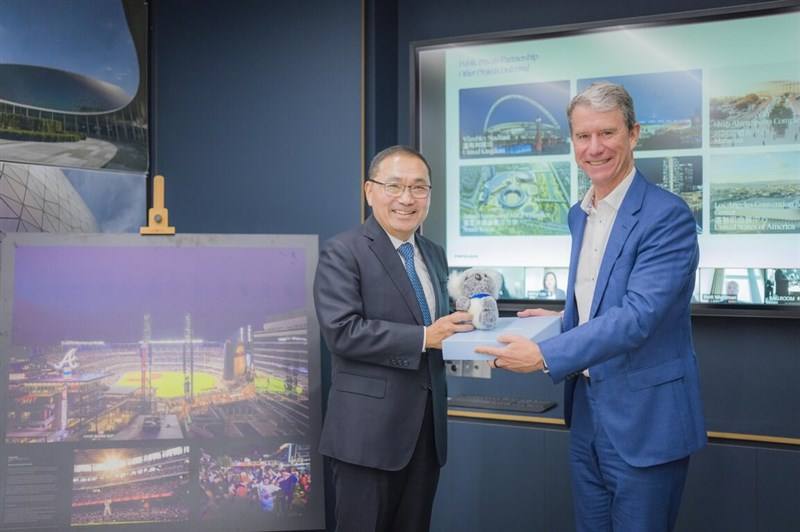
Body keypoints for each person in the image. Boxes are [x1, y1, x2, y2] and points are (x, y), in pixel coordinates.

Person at [477, 83, 706, 532]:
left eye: (607, 133)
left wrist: (545, 353)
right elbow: (602, 299)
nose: (594, 148)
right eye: (583, 136)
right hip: (586, 413)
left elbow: (638, 316)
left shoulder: (668, 216)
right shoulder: (578, 214)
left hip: (645, 420)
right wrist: (567, 320)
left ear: (634, 134)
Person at [314, 145, 473, 532]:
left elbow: (438, 327)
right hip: (367, 439)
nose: (407, 198)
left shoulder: (434, 253)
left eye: (419, 188)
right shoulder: (343, 251)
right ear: (370, 191)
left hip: (425, 437)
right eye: (395, 186)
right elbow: (343, 332)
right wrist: (425, 336)